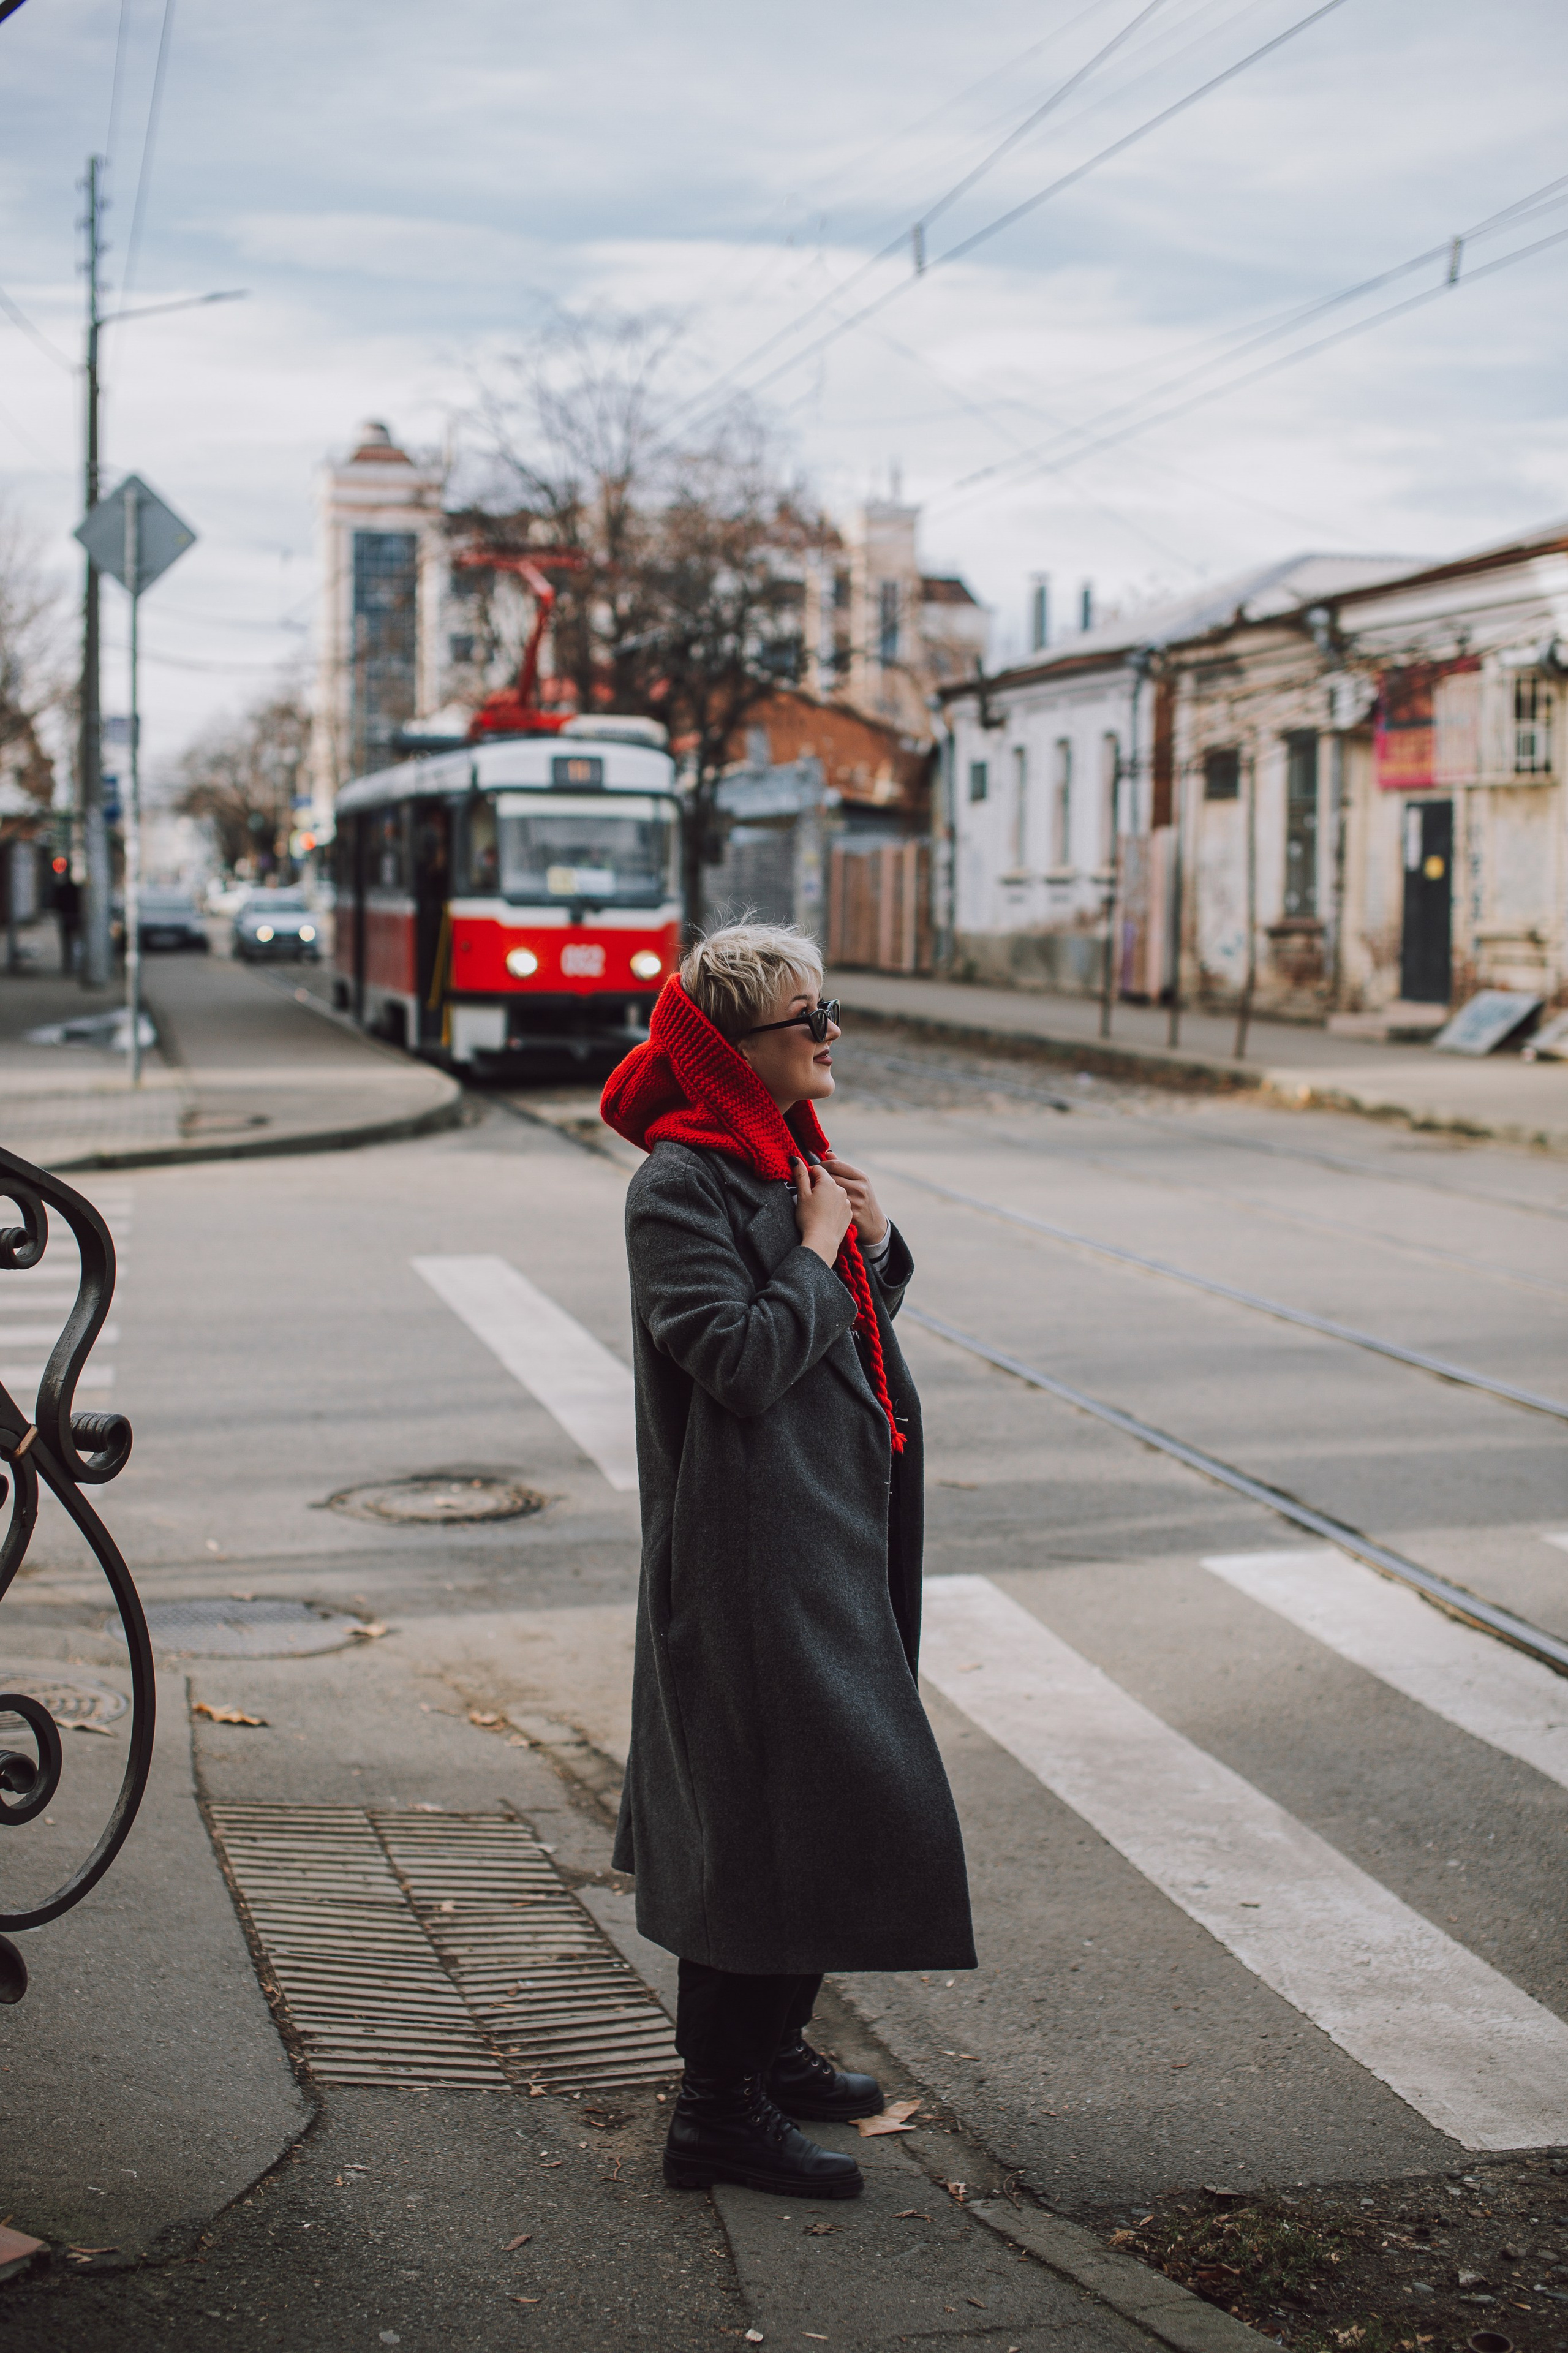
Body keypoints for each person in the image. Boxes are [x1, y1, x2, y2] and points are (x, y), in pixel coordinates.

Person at [600, 921, 974, 2202]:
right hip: (752, 1550)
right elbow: (741, 1358)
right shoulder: (681, 1183)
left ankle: (769, 2049)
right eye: (807, 1020)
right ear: (736, 1049)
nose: (829, 1036)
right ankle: (715, 2107)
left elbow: (845, 1326)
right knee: (759, 1817)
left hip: (833, 1525)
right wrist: (817, 1248)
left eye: (826, 1012)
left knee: (822, 1796)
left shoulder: (789, 1154)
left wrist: (867, 1245)